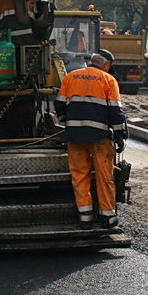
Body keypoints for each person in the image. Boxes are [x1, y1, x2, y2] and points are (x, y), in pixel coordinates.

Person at [54, 49, 127, 229]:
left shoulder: (71, 77)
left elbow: (59, 105)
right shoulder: (108, 79)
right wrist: (120, 135)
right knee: (104, 176)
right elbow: (116, 112)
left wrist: (69, 122)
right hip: (100, 137)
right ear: (107, 64)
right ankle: (107, 217)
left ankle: (85, 216)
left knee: (79, 175)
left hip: (75, 136)